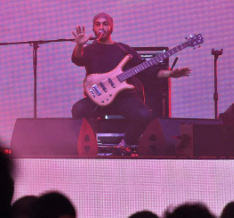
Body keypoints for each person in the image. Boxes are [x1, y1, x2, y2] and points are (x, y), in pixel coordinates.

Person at [70, 13, 190, 150]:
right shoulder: (90, 49)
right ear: (93, 28)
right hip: (98, 97)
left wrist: (170, 73)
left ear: (111, 27)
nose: (101, 27)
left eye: (105, 24)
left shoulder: (124, 49)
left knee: (144, 115)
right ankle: (89, 145)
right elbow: (78, 60)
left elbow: (147, 70)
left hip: (123, 98)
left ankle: (125, 144)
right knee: (78, 109)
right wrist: (79, 46)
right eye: (97, 24)